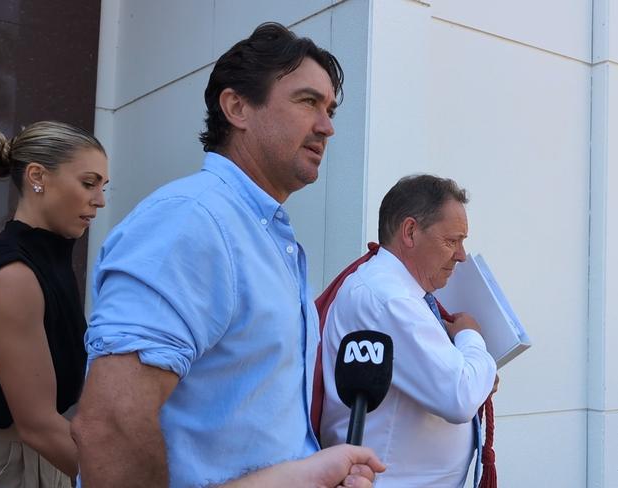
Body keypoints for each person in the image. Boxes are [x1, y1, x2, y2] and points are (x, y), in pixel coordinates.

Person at [72, 22, 384, 488]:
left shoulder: (260, 230)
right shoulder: (192, 220)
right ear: (237, 106)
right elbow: (111, 425)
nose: (327, 126)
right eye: (307, 102)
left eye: (330, 109)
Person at [320, 175, 497, 488]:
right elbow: (459, 396)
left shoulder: (399, 291)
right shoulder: (389, 299)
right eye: (452, 240)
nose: (461, 255)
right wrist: (471, 338)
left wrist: (477, 373)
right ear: (410, 232)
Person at [0, 121, 108, 487]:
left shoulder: (45, 262)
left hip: (48, 455)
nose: (100, 200)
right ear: (37, 176)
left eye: (104, 186)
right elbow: (37, 424)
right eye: (89, 182)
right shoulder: (12, 275)